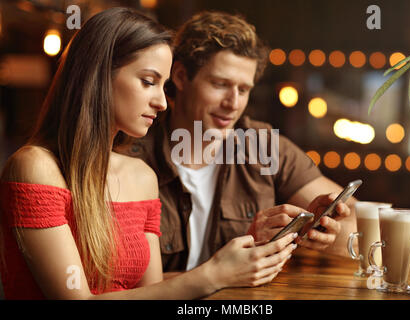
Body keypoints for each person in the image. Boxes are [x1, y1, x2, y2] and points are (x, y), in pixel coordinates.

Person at [0, 7, 297, 300]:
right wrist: (213, 274)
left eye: (163, 85)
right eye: (148, 81)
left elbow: (155, 294)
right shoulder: (35, 168)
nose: (161, 102)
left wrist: (236, 262)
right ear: (99, 75)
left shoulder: (141, 177)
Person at [126, 11, 357, 273]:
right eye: (220, 84)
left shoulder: (264, 146)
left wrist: (317, 231)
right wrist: (230, 263)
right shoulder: (131, 153)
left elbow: (355, 221)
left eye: (243, 90)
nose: (233, 103)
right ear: (180, 77)